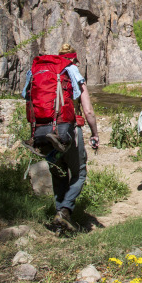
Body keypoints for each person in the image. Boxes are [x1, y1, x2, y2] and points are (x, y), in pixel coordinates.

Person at [22, 43, 99, 231]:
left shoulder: (35, 71)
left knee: (58, 175)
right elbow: (88, 111)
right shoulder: (71, 70)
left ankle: (59, 220)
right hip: (68, 131)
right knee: (79, 173)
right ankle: (64, 211)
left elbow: (26, 96)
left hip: (42, 132)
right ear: (73, 58)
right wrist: (95, 134)